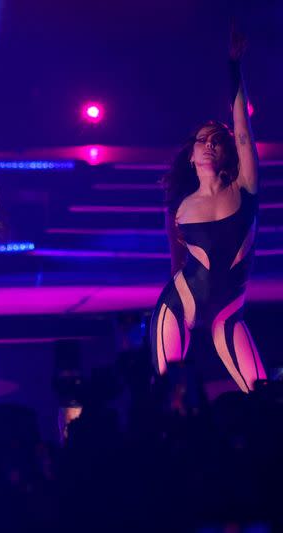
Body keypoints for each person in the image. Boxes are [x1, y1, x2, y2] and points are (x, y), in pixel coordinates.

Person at [150, 25, 266, 392]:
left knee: (261, 392)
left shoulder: (245, 187)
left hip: (227, 311)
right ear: (191, 154)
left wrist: (234, 66)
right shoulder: (180, 206)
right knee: (170, 400)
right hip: (180, 302)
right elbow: (175, 258)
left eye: (218, 141)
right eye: (203, 140)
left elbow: (243, 132)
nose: (210, 146)